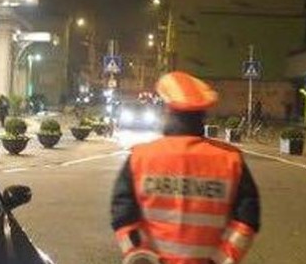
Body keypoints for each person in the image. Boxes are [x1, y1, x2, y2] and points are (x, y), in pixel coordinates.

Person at [110, 72, 260, 264]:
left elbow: (122, 213)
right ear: (202, 116)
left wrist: (138, 254)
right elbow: (247, 219)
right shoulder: (231, 160)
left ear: (168, 112)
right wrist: (223, 258)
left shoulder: (141, 158)